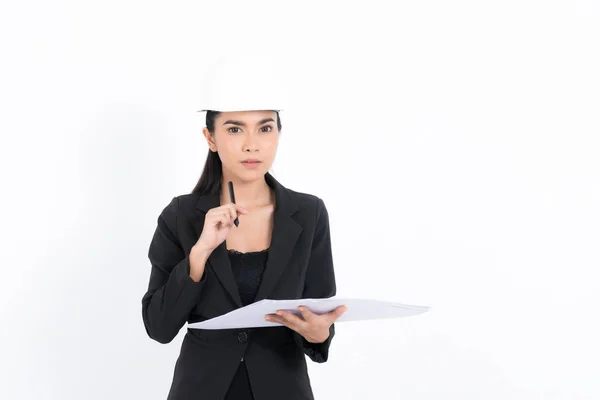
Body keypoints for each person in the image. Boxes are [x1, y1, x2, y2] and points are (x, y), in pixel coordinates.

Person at [141, 60, 347, 400]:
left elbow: (319, 323)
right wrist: (199, 254)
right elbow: (159, 328)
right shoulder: (181, 216)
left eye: (265, 128)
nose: (252, 144)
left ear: (278, 133)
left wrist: (318, 333)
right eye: (235, 129)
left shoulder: (309, 213)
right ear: (210, 137)